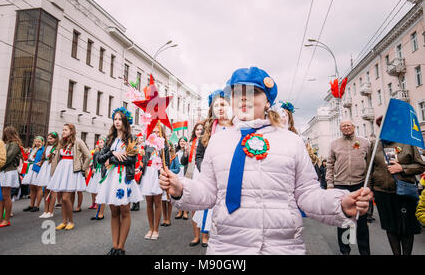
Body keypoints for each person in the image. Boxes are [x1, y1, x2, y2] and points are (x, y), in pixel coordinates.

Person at [159, 66, 372, 255]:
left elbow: (307, 194)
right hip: (227, 247)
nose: (244, 97)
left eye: (253, 92)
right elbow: (206, 193)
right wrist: (180, 188)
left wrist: (340, 205)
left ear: (268, 100)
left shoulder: (292, 142)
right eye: (237, 92)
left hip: (282, 247)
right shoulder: (217, 142)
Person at [369, 116, 425, 255]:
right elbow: (369, 169)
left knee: (406, 229)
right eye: (381, 126)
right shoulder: (375, 145)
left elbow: (421, 165)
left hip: (403, 192)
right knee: (390, 228)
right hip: (382, 192)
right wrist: (369, 189)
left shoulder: (407, 143)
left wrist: (403, 168)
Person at [95, 107, 142, 255]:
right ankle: (114, 246)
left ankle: (121, 247)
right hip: (110, 178)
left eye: (120, 119)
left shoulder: (131, 139)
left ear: (125, 121)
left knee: (125, 211)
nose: (117, 122)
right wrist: (113, 153)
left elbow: (131, 159)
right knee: (114, 212)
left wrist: (112, 159)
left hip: (124, 178)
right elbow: (99, 159)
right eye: (115, 119)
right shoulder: (109, 139)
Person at [192, 89, 233, 248]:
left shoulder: (238, 129)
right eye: (216, 105)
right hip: (212, 183)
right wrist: (206, 170)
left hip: (232, 182)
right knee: (212, 218)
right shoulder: (208, 132)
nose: (220, 108)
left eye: (223, 104)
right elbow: (199, 156)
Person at [326, 119, 371, 255]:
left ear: (354, 127)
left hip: (359, 186)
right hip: (341, 186)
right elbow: (330, 164)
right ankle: (345, 251)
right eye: (343, 126)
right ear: (340, 129)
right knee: (345, 221)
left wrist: (368, 185)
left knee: (362, 222)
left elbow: (369, 164)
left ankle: (365, 252)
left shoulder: (365, 142)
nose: (346, 128)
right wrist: (330, 184)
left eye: (348, 125)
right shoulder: (334, 144)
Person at [47, 123, 90, 231]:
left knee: (66, 198)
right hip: (62, 170)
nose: (63, 131)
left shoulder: (78, 141)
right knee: (62, 199)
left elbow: (88, 156)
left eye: (65, 130)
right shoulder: (62, 142)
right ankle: (64, 221)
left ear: (71, 131)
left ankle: (71, 221)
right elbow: (57, 157)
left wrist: (83, 168)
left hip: (72, 171)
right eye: (63, 130)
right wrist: (53, 170)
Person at [140, 125, 170, 240]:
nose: (155, 134)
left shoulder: (165, 146)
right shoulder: (147, 144)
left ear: (161, 133)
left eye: (158, 132)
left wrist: (164, 171)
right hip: (148, 174)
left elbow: (166, 162)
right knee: (148, 203)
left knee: (157, 202)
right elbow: (144, 160)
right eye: (153, 131)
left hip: (158, 174)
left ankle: (156, 229)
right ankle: (150, 228)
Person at [0, 126, 22, 228]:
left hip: (8, 171)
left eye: (5, 133)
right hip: (2, 171)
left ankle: (6, 219)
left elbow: (7, 158)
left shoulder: (14, 144)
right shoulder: (5, 143)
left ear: (9, 133)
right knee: (0, 197)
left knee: (6, 196)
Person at [35, 132, 59, 219]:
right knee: (45, 190)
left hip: (52, 168)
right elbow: (44, 157)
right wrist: (41, 162)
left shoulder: (57, 147)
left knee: (52, 190)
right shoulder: (46, 147)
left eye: (51, 139)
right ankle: (45, 210)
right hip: (45, 167)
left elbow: (57, 159)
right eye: (48, 139)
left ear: (56, 139)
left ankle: (51, 211)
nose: (49, 140)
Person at [22, 136, 45, 212]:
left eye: (39, 142)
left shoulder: (43, 150)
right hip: (30, 169)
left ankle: (37, 205)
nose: (37, 143)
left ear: (42, 142)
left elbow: (45, 159)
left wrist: (41, 163)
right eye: (36, 141)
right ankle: (31, 205)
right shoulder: (32, 149)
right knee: (32, 187)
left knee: (38, 187)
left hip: (38, 169)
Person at [89, 137, 107, 221]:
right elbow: (94, 163)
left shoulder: (106, 152)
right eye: (99, 142)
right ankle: (97, 212)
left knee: (101, 193)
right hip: (96, 173)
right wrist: (93, 167)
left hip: (103, 173)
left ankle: (101, 213)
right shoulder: (96, 153)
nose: (100, 144)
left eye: (102, 142)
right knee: (96, 193)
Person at [174, 137, 189, 220]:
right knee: (178, 192)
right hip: (178, 172)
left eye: (184, 141)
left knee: (185, 191)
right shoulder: (176, 151)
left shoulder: (188, 151)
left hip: (185, 171)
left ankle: (185, 211)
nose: (182, 142)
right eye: (181, 141)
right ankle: (179, 211)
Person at [131, 133, 145, 212]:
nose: (141, 140)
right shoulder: (133, 147)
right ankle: (134, 202)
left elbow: (143, 158)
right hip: (133, 166)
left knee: (138, 186)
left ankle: (137, 203)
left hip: (139, 167)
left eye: (142, 138)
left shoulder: (143, 147)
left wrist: (140, 167)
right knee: (133, 186)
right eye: (140, 138)